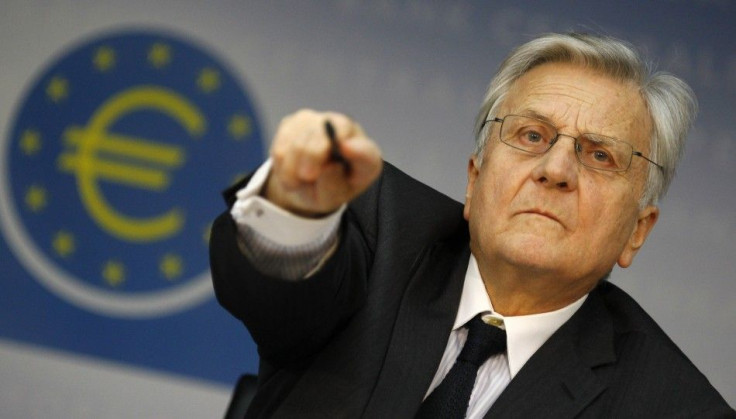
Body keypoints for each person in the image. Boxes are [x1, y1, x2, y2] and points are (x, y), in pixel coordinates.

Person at [209, 32, 735, 418]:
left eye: (600, 156)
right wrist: (297, 213)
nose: (555, 170)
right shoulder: (378, 231)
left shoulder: (671, 407)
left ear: (637, 231)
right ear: (474, 179)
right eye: (531, 135)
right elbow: (279, 294)